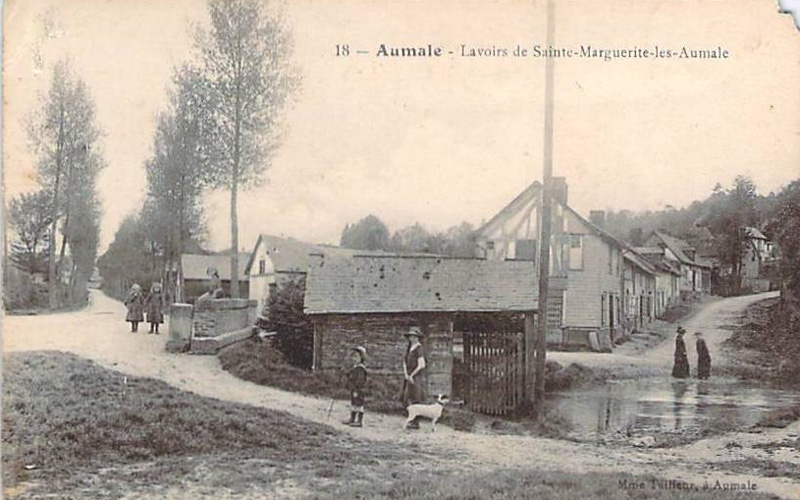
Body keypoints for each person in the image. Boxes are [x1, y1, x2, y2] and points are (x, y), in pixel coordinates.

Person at [401, 327, 427, 429]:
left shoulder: (419, 349)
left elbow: (422, 364)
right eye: (411, 336)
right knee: (406, 398)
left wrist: (412, 375)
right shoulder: (409, 348)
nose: (412, 338)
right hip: (408, 376)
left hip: (416, 377)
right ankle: (411, 419)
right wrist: (406, 374)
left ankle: (416, 422)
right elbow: (404, 361)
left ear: (418, 338)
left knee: (416, 398)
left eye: (414, 336)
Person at [343, 346, 368, 427]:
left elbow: (360, 380)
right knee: (353, 403)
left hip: (358, 389)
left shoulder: (361, 368)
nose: (354, 359)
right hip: (353, 388)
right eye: (353, 357)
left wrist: (356, 390)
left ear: (361, 358)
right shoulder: (355, 367)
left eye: (357, 357)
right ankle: (352, 419)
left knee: (359, 405)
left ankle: (359, 421)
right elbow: (351, 375)